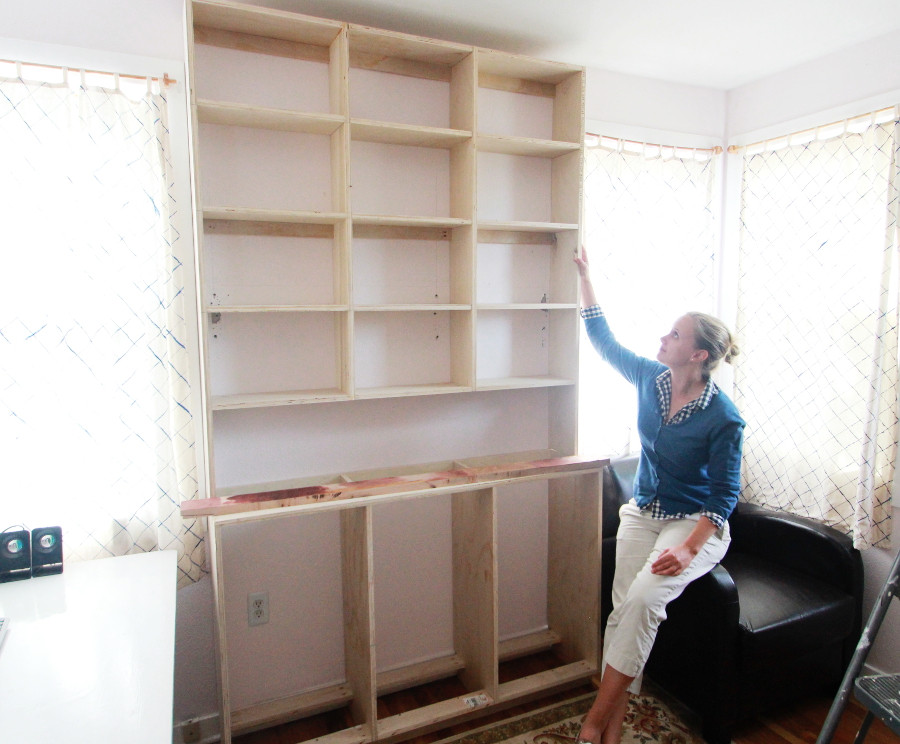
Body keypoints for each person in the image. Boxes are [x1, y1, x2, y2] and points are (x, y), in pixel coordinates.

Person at [574, 248, 744, 744]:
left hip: (693, 524)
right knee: (622, 608)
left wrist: (690, 546)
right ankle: (615, 727)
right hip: (644, 512)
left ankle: (592, 723)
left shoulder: (724, 417)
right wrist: (586, 277)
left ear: (699, 355)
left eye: (674, 335)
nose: (662, 340)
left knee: (645, 598)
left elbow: (724, 492)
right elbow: (602, 340)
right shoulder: (651, 378)